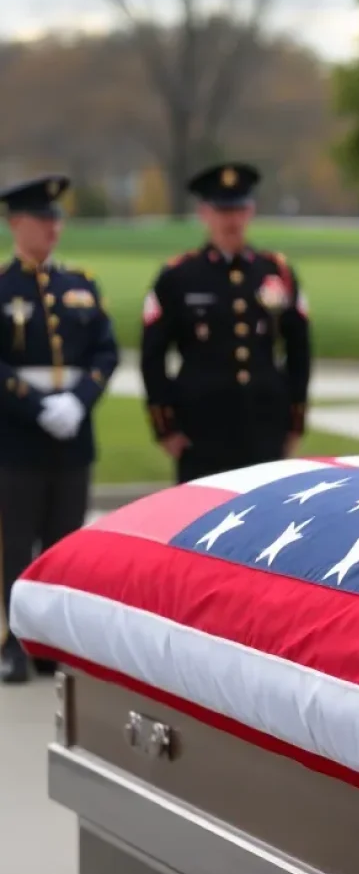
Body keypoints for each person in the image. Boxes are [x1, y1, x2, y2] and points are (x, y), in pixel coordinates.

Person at [0, 175, 119, 684]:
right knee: (14, 543)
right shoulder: (3, 287)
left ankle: (53, 643)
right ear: (16, 223)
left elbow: (105, 353)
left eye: (56, 218)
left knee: (63, 543)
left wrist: (79, 400)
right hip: (17, 437)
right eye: (41, 218)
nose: (52, 227)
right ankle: (13, 641)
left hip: (72, 436)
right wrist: (36, 406)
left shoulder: (81, 285)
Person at [140, 162, 312, 484]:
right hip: (201, 428)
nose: (232, 220)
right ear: (204, 213)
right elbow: (153, 356)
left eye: (239, 210)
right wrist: (165, 426)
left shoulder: (276, 272)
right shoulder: (178, 276)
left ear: (251, 211)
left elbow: (299, 349)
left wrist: (295, 420)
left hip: (264, 424)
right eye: (222, 211)